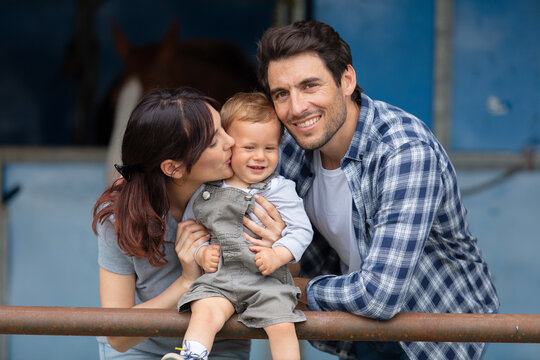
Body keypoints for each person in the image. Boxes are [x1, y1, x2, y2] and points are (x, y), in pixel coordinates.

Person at [256, 20, 499, 360]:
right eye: (282, 94)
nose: (296, 108)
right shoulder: (293, 149)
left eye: (310, 86)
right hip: (357, 329)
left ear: (346, 80)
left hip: (431, 335)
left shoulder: (404, 150)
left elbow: (379, 294)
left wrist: (292, 290)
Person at [92, 87, 285, 360]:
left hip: (222, 346)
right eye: (214, 140)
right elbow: (118, 337)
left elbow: (288, 278)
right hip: (141, 350)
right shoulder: (120, 217)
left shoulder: (254, 193)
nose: (232, 141)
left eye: (223, 129)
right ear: (173, 168)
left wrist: (275, 249)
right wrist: (186, 282)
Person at [162, 92, 313, 360]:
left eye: (270, 148)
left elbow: (302, 230)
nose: (260, 157)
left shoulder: (281, 189)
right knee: (205, 309)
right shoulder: (207, 190)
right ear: (230, 147)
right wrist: (201, 254)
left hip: (266, 280)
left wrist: (279, 254)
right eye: (249, 148)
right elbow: (192, 230)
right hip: (221, 279)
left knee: (282, 324)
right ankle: (191, 356)